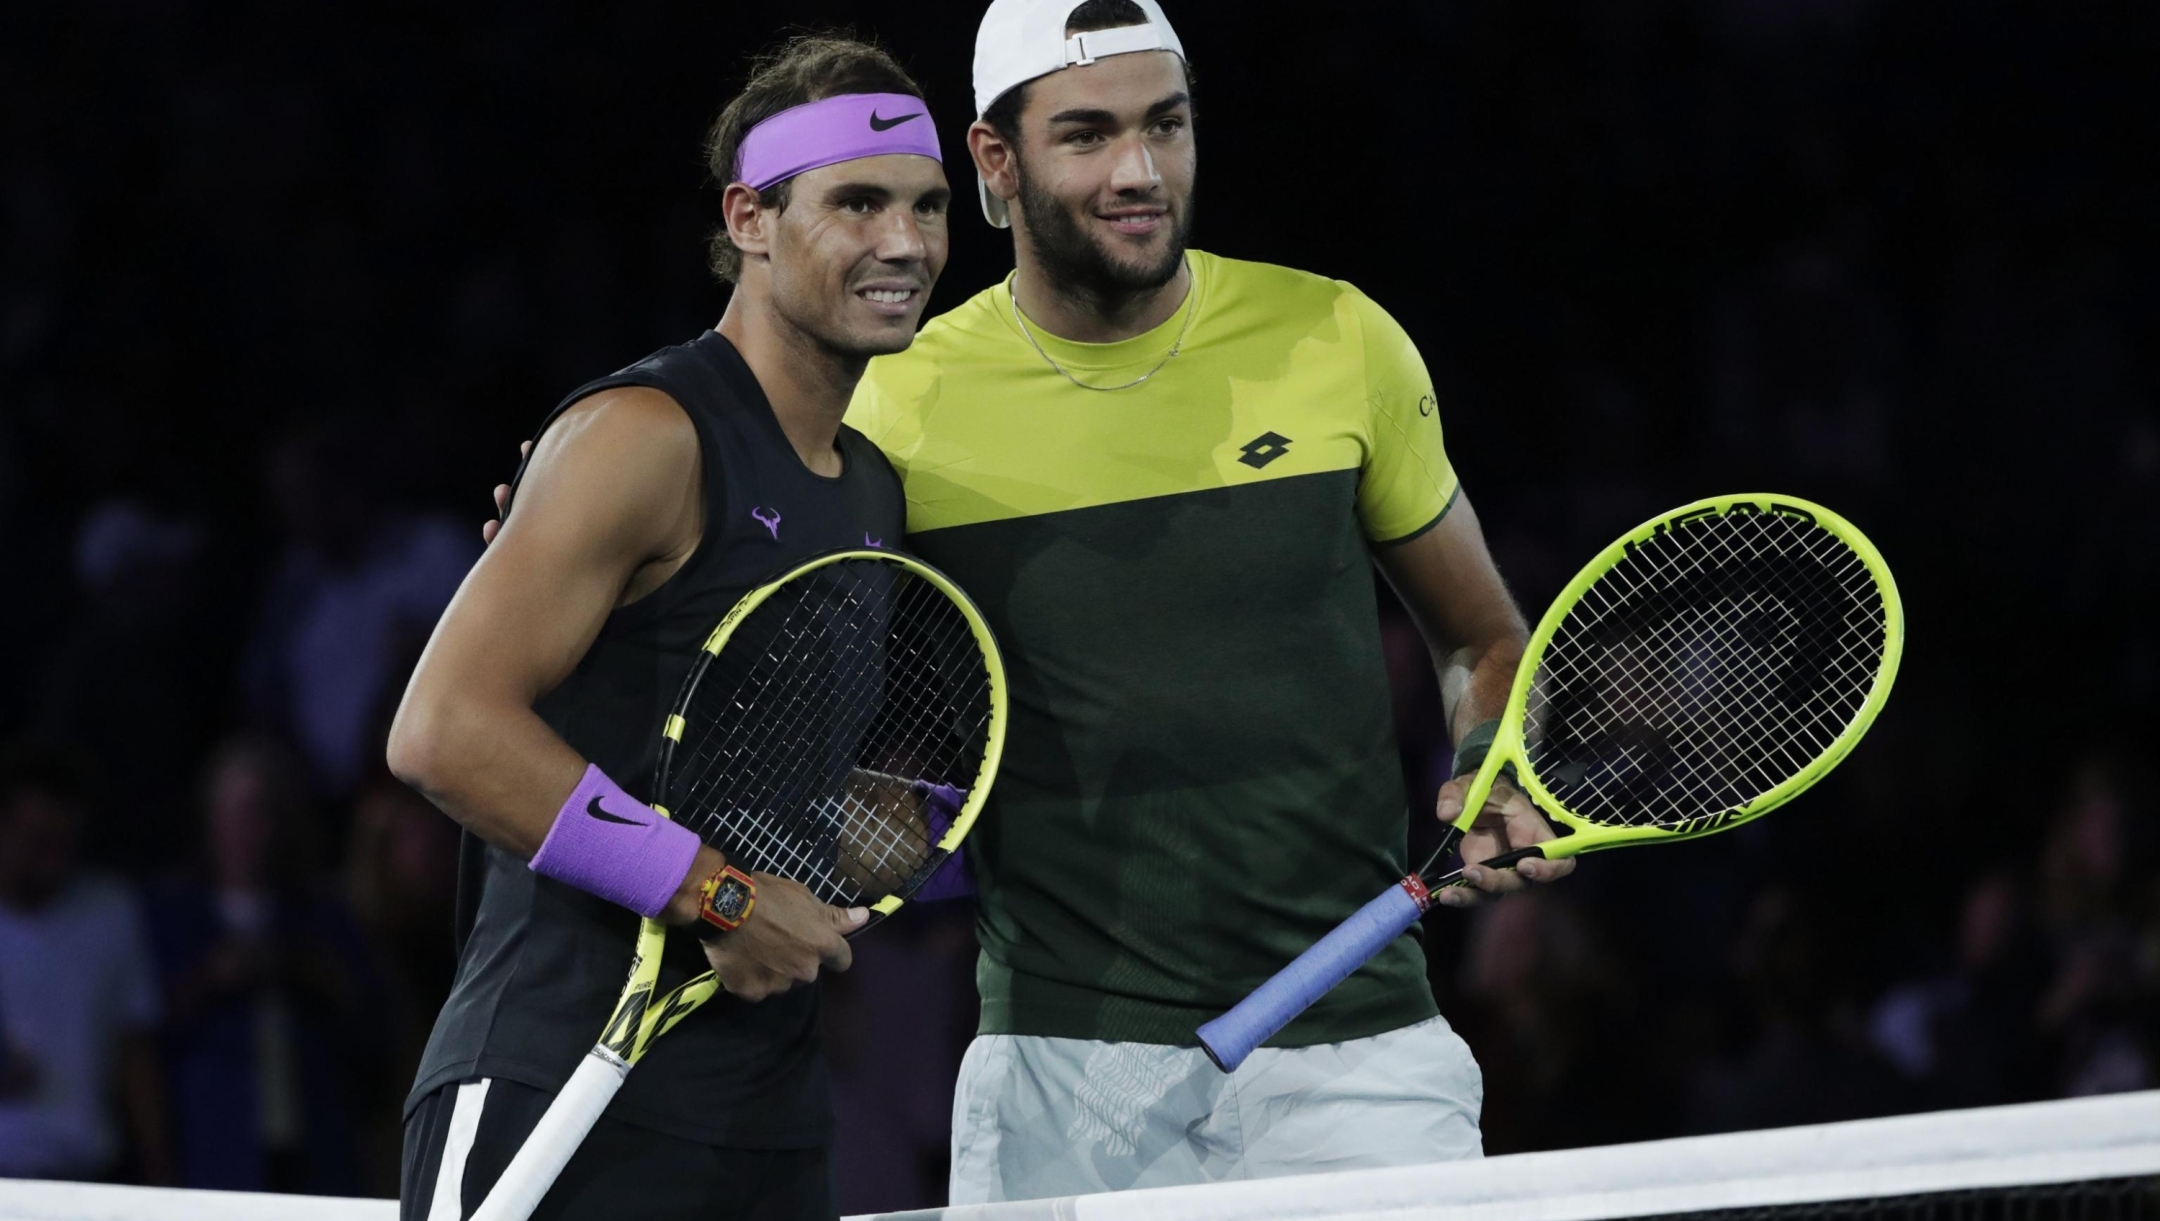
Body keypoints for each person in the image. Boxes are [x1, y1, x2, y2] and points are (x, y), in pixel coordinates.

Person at [842, 0, 1573, 1200]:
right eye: (1086, 134)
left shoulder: (1339, 337)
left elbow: (1482, 635)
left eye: (1166, 126)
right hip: (1059, 1066)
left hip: (1362, 1053)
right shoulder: (899, 405)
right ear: (994, 160)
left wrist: (1497, 761)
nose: (1140, 172)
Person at [387, 35, 951, 1221]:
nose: (905, 243)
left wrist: (898, 841)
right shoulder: (644, 434)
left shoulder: (872, 491)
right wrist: (723, 898)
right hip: (558, 1081)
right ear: (751, 218)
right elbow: (443, 733)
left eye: (927, 206)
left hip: (767, 1122)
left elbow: (780, 793)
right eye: (858, 202)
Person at [0, 741, 173, 1185]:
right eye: (38, 842)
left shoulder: (109, 911)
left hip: (84, 1177)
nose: (53, 861)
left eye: (65, 844)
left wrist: (159, 1169)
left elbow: (135, 1048)